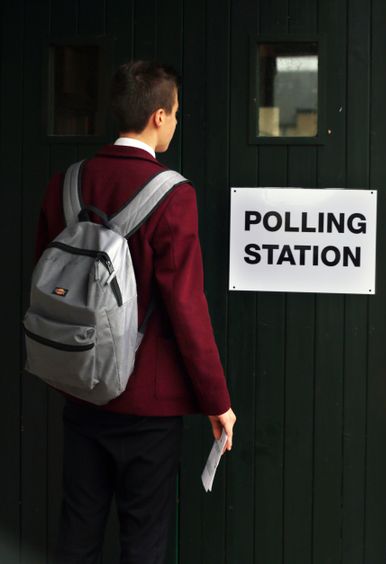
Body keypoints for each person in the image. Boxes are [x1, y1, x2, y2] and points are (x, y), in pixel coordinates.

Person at [35, 60, 236, 564]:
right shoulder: (173, 196)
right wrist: (217, 400)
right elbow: (187, 306)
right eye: (176, 114)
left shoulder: (68, 183)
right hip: (148, 405)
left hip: (79, 386)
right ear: (159, 116)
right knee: (143, 540)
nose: (175, 122)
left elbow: (47, 279)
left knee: (77, 531)